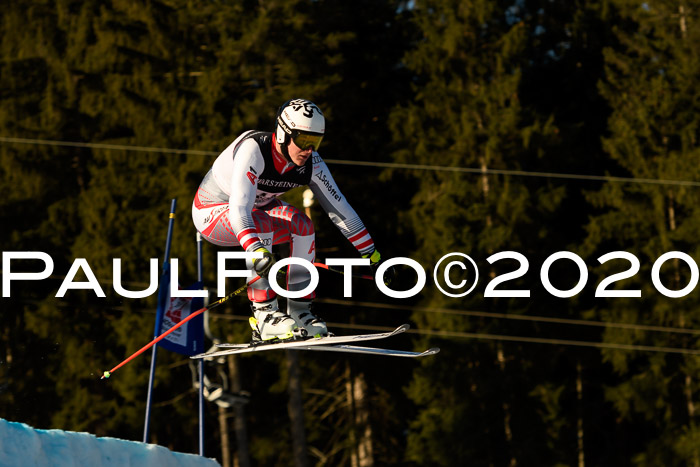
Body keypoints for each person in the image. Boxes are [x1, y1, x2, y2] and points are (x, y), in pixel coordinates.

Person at [192, 99, 391, 342]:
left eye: (315, 142)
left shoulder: (312, 164)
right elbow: (240, 206)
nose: (309, 150)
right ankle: (264, 315)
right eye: (303, 141)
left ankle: (300, 311)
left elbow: (341, 209)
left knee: (302, 225)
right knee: (260, 222)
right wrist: (256, 249)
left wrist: (371, 254)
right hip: (212, 213)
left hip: (257, 211)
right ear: (283, 134)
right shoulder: (253, 149)